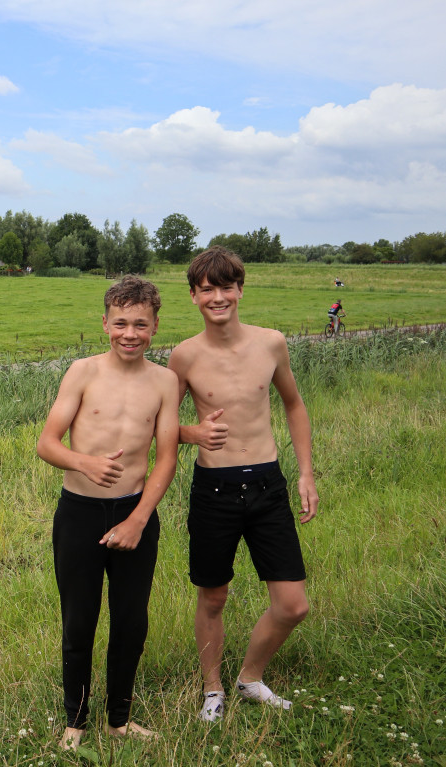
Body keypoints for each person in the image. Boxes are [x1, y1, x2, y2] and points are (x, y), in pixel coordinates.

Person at [169, 247, 318, 722]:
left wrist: (306, 473)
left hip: (268, 485)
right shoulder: (184, 356)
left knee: (293, 605)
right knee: (214, 596)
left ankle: (249, 678)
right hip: (214, 488)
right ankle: (212, 688)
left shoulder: (271, 343)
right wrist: (192, 433)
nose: (218, 296)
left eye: (226, 286)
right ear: (193, 296)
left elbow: (294, 405)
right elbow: (159, 424)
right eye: (207, 288)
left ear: (240, 289)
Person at [36, 277, 179, 747]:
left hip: (135, 515)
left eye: (140, 324)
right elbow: (47, 443)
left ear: (155, 327)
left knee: (131, 621)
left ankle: (119, 718)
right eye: (121, 323)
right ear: (105, 324)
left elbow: (167, 457)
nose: (130, 333)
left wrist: (139, 519)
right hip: (78, 513)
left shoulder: (165, 381)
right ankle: (75, 720)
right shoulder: (82, 372)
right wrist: (85, 462)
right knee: (79, 620)